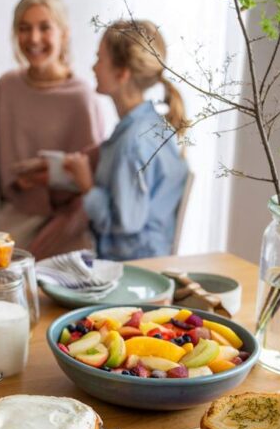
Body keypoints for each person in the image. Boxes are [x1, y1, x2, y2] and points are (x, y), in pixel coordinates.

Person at [0, 0, 105, 260]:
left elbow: (94, 175)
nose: (34, 38)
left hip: (68, 221)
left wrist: (48, 177)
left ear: (64, 34)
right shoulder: (7, 87)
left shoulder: (81, 96)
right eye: (24, 28)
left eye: (45, 28)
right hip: (17, 214)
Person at [63, 20, 189, 260]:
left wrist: (87, 186)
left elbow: (124, 224)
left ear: (121, 74)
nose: (93, 67)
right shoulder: (147, 125)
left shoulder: (132, 143)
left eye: (99, 59)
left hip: (132, 268)